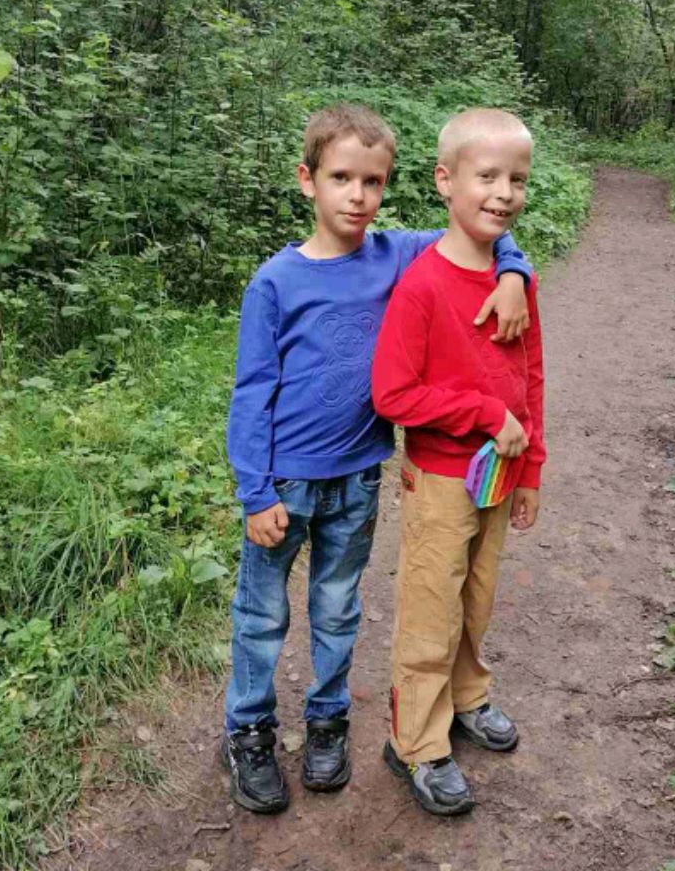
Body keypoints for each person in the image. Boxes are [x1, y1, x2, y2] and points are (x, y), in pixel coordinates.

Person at [221, 103, 536, 814]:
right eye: (341, 178)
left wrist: (513, 271)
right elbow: (251, 392)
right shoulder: (276, 281)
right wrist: (255, 491)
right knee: (262, 614)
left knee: (337, 610)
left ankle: (327, 722)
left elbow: (483, 229)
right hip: (284, 483)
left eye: (373, 181)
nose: (358, 196)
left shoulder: (396, 253)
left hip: (358, 476)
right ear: (308, 180)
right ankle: (249, 731)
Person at [371, 108, 546, 816]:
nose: (504, 193)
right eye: (487, 177)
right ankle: (416, 742)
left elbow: (531, 378)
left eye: (517, 180)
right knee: (431, 607)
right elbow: (393, 394)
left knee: (477, 597)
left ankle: (467, 698)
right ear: (446, 181)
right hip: (441, 477)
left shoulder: (517, 282)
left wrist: (531, 466)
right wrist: (483, 415)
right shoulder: (422, 285)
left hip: (500, 476)